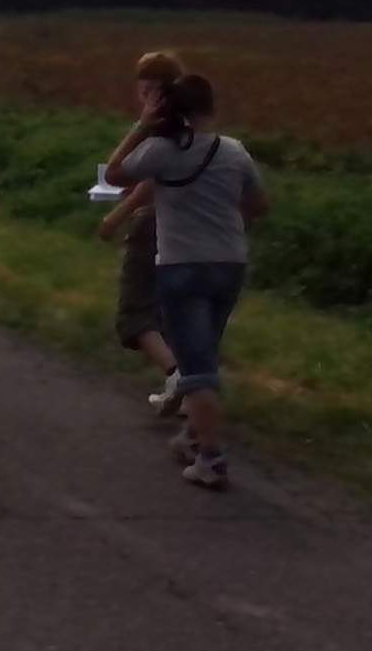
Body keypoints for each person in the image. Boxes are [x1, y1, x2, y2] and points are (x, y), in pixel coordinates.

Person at [103, 72, 268, 491]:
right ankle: (193, 436)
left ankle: (211, 459)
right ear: (211, 107)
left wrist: (142, 125)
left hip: (181, 265)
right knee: (204, 351)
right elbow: (257, 206)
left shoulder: (161, 151)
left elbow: (116, 174)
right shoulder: (234, 151)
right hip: (229, 263)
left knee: (195, 366)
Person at [96, 50, 185, 414]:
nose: (143, 97)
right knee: (173, 311)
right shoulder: (192, 129)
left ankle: (177, 376)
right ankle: (189, 394)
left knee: (134, 314)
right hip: (191, 229)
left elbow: (125, 175)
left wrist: (116, 217)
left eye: (147, 91)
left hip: (154, 225)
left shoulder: (157, 132)